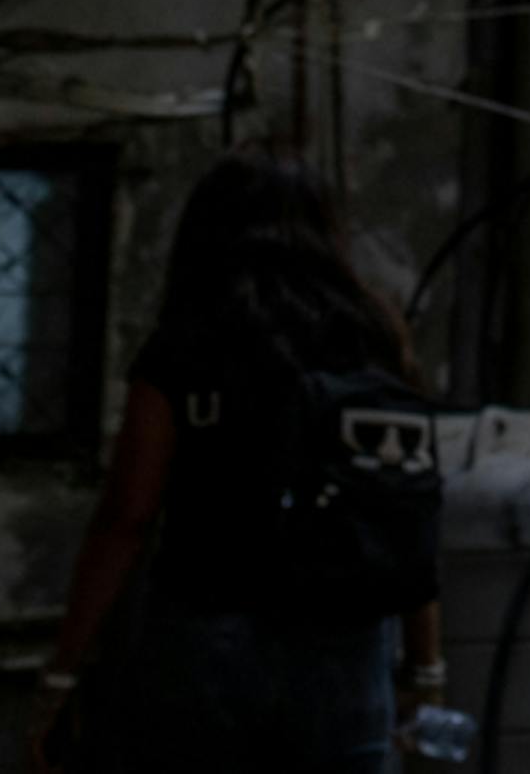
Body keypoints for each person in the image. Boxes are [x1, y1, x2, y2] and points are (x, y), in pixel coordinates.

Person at [37, 150, 450, 774]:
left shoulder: (188, 338)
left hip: (207, 634)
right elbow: (405, 508)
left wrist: (63, 673)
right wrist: (426, 666)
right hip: (349, 645)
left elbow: (129, 512)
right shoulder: (372, 334)